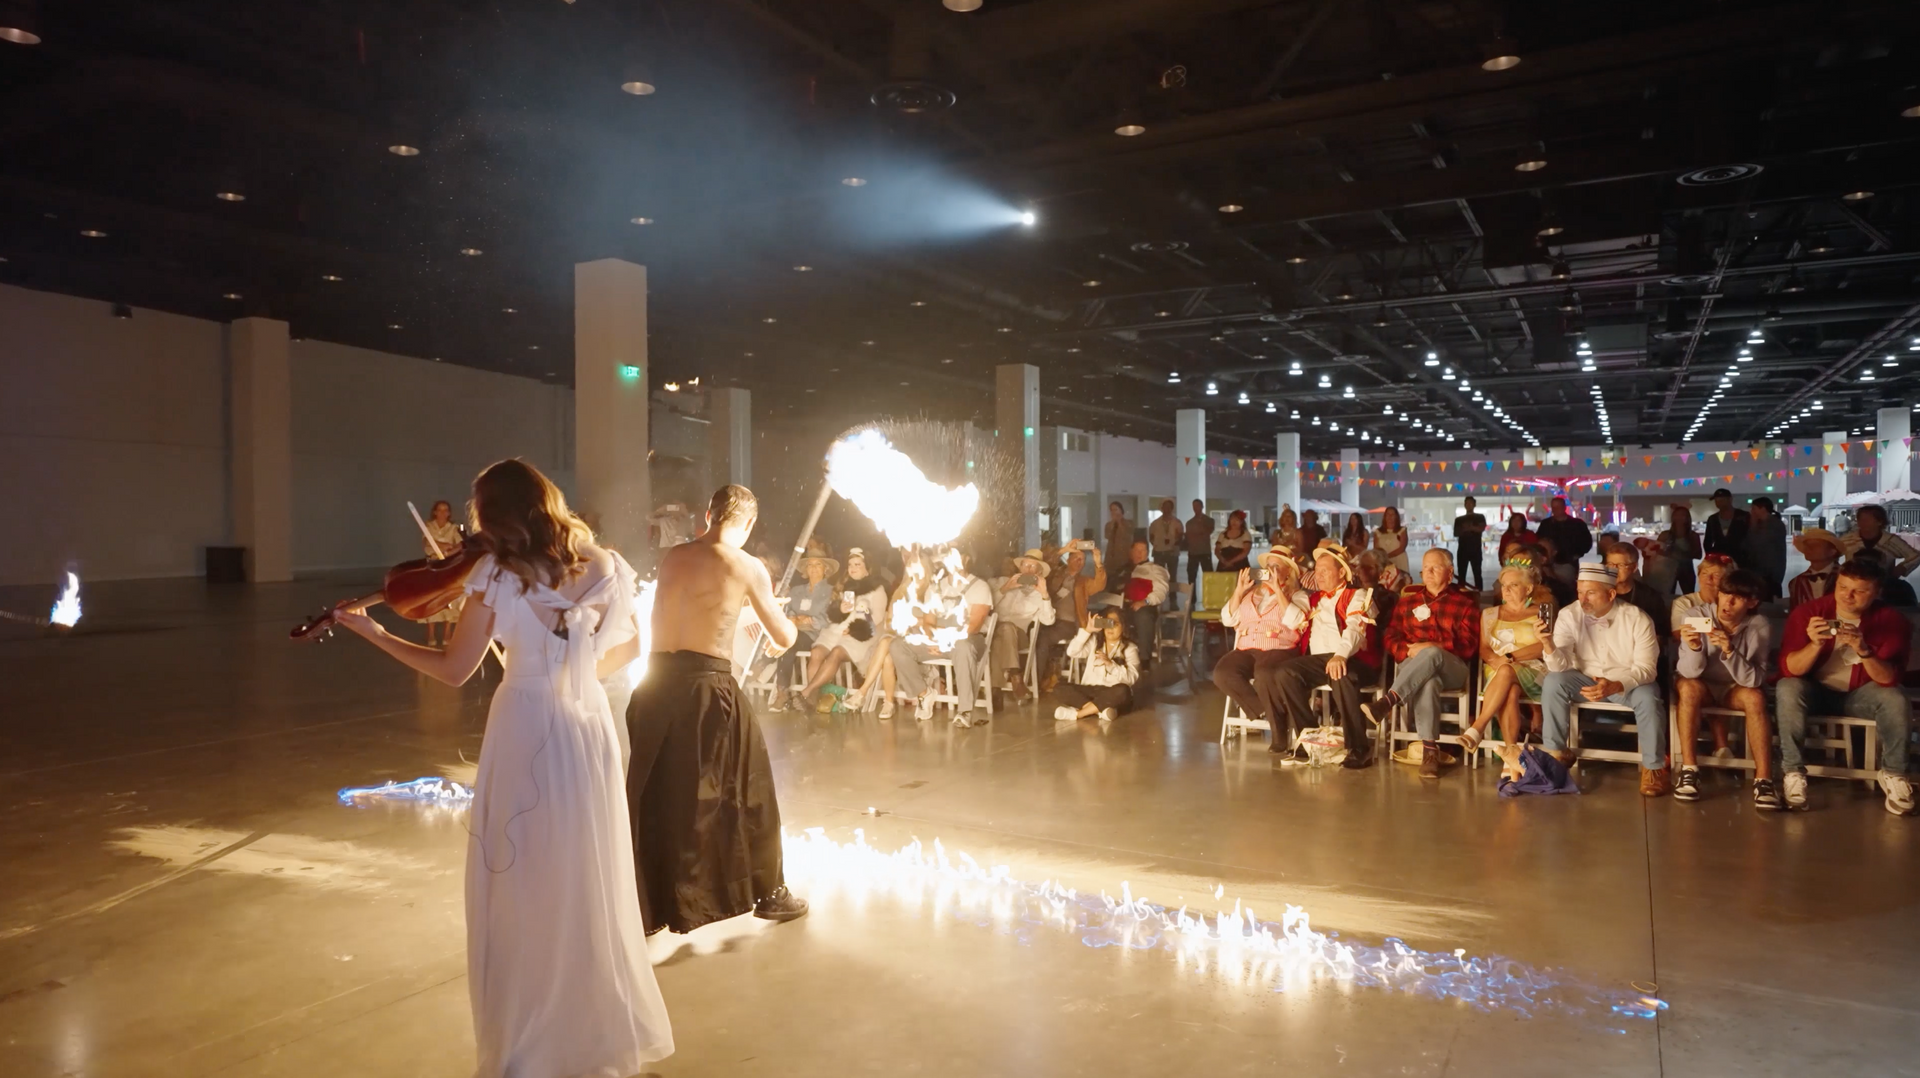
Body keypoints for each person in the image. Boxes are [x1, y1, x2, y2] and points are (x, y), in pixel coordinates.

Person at [331, 459, 673, 1075]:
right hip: (589, 725)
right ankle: (594, 1033)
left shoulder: (494, 573)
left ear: (492, 514)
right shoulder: (607, 564)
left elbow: (452, 669)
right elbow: (629, 648)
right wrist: (570, 671)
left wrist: (368, 630)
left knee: (520, 881)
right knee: (585, 873)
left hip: (523, 722)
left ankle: (527, 1044)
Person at [630, 484, 806, 933]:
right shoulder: (746, 565)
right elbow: (783, 638)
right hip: (706, 687)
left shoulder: (674, 557)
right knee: (751, 790)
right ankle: (770, 893)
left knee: (658, 792)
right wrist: (785, 619)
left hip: (654, 685)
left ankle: (648, 906)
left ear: (707, 515)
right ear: (747, 524)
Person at [1774, 562, 1913, 815]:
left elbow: (1888, 678)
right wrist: (1815, 644)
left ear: (1877, 592)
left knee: (1895, 697)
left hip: (1860, 693)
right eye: (1842, 587)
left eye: (1859, 591)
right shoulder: (1810, 612)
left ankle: (1894, 774)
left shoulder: (1892, 620)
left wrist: (1864, 650)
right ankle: (1793, 772)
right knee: (1788, 687)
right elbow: (1790, 669)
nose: (1847, 596)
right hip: (1815, 688)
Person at [1539, 562, 1669, 796]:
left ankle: (1653, 768)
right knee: (1553, 681)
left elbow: (1648, 669)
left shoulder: (1637, 618)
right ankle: (1556, 753)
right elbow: (1561, 666)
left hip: (1627, 683)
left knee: (1649, 697)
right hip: (1585, 680)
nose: (1582, 599)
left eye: (1590, 592)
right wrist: (1547, 644)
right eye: (1579, 591)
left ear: (1611, 594)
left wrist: (1617, 685)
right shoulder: (1570, 614)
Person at [1364, 548, 1480, 779]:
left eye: (1435, 567)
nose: (1429, 571)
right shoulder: (1408, 603)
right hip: (1414, 666)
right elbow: (1390, 637)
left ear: (1450, 572)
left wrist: (1430, 647)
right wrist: (1408, 649)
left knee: (1432, 654)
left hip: (1452, 667)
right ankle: (1429, 752)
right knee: (1428, 683)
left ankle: (1388, 701)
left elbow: (1468, 645)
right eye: (1425, 567)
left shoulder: (1465, 603)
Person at [1271, 543, 1381, 768]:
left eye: (1325, 571)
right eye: (1317, 571)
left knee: (1342, 674)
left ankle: (1358, 748)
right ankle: (1309, 739)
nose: (1318, 576)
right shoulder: (1314, 599)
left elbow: (1355, 628)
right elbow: (1294, 622)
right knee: (1285, 672)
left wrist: (1340, 655)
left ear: (1342, 572)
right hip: (1321, 660)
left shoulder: (1358, 595)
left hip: (1354, 658)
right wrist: (1277, 591)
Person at [1673, 568, 1775, 806]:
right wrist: (1695, 647)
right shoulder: (1696, 614)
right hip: (1702, 683)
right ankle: (1689, 770)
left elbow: (1754, 680)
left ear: (1752, 602)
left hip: (1734, 686)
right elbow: (1689, 672)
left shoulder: (1758, 625)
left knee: (1755, 698)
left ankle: (1764, 779)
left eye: (1737, 598)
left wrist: (1730, 651)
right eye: (1725, 594)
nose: (1727, 603)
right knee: (1687, 688)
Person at [1211, 550, 1308, 738]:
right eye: (1268, 566)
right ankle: (1265, 711)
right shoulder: (1249, 594)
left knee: (1264, 673)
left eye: (1276, 566)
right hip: (1247, 647)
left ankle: (1278, 731)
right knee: (1222, 673)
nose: (1270, 570)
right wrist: (1238, 591)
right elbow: (1227, 619)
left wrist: (1279, 591)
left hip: (1278, 648)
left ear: (1288, 572)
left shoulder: (1297, 595)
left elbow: (1295, 621)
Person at [1461, 562, 1552, 753]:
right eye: (1504, 585)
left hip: (1534, 670)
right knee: (1510, 691)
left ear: (1528, 589)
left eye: (1514, 585)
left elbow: (1543, 646)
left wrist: (1509, 657)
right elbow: (1484, 648)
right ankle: (1511, 755)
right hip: (1496, 670)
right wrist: (1495, 661)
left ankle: (1477, 727)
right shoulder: (1489, 614)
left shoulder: (1542, 612)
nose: (1507, 590)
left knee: (1506, 670)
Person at [798, 548, 890, 710]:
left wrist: (854, 629)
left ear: (867, 568)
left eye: (857, 565)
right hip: (837, 629)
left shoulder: (877, 589)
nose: (853, 568)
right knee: (816, 653)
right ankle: (812, 700)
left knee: (837, 652)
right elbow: (830, 615)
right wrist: (840, 610)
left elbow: (877, 619)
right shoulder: (845, 586)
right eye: (850, 565)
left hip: (862, 633)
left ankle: (806, 692)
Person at [768, 551, 837, 712]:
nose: (813, 568)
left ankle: (778, 687)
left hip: (817, 636)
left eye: (818, 564)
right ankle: (781, 692)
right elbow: (788, 609)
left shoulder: (831, 591)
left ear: (825, 569)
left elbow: (829, 617)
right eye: (810, 565)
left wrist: (809, 620)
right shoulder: (796, 590)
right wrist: (795, 618)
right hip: (794, 631)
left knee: (788, 642)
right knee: (786, 643)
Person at [991, 548, 1056, 704]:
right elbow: (986, 607)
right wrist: (1006, 588)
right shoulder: (1000, 583)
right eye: (1025, 565)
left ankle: (1007, 680)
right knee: (1001, 638)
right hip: (993, 635)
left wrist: (1045, 594)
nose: (1028, 569)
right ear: (1019, 567)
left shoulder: (1039, 594)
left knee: (1006, 628)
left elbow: (1048, 621)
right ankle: (1010, 684)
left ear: (1039, 572)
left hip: (1020, 637)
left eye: (1033, 567)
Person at [1054, 608, 1142, 723]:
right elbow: (1071, 652)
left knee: (1123, 691)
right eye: (1108, 622)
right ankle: (1101, 710)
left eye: (1115, 623)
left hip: (1111, 692)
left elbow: (1131, 678)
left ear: (1123, 626)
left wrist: (1111, 665)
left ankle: (1079, 713)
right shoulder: (1095, 641)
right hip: (1090, 690)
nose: (1111, 628)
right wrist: (1087, 631)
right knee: (1059, 688)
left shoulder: (1130, 648)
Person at [1038, 541, 1105, 691]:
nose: (1079, 562)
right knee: (1034, 634)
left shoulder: (1084, 581)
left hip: (1068, 624)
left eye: (1082, 559)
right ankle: (1040, 676)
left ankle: (1034, 680)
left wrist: (1098, 563)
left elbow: (1099, 584)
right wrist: (1064, 549)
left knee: (1043, 637)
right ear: (1067, 560)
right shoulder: (1055, 574)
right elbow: (1044, 562)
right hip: (1046, 619)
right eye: (1075, 558)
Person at [1840, 504, 1920, 605]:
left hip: (1886, 587)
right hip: (1853, 583)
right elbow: (1830, 554)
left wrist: (1901, 569)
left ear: (1880, 521)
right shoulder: (1847, 540)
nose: (1862, 523)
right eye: (1860, 519)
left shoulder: (1892, 541)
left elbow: (1916, 556)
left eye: (1867, 520)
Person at [417, 499, 467, 646]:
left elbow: (460, 545)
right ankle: (431, 633)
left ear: (449, 513)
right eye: (440, 510)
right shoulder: (428, 526)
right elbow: (428, 543)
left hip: (449, 566)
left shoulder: (453, 528)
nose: (442, 513)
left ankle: (447, 632)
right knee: (432, 598)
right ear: (435, 512)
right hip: (433, 565)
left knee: (449, 598)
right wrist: (444, 545)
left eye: (445, 510)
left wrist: (450, 550)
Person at [1605, 543, 1671, 642]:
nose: (1614, 569)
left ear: (1634, 567)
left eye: (1620, 565)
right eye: (1610, 564)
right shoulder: (1598, 593)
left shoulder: (1650, 597)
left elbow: (1658, 636)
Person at [1117, 538, 1171, 660]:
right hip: (1121, 607)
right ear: (1130, 552)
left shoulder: (1156, 569)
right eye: (1136, 550)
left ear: (1148, 552)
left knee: (1143, 616)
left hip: (1143, 607)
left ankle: (1144, 659)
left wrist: (1145, 601)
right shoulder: (1123, 570)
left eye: (1143, 550)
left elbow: (1161, 592)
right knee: (1101, 617)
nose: (1139, 553)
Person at [1534, 497, 1592, 589]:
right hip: (1547, 563)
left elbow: (1587, 542)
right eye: (1553, 507)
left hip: (1567, 562)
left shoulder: (1577, 524)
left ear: (1564, 507)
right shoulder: (1546, 524)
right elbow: (1538, 541)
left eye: (1558, 507)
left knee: (1565, 586)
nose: (1555, 510)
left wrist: (1576, 555)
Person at [1672, 552, 1734, 631]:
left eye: (1716, 575)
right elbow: (1679, 633)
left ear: (1727, 580)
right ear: (1698, 576)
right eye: (1704, 573)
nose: (1708, 579)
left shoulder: (1732, 603)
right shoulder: (1684, 602)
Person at [1787, 527, 1844, 609]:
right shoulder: (1796, 582)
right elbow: (1795, 615)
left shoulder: (1846, 576)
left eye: (1816, 545)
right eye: (1807, 545)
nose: (1809, 548)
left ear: (1832, 551)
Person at [1744, 497, 1788, 599]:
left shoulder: (1773, 525)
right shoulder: (1768, 523)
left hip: (1769, 573)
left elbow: (1756, 543)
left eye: (1754, 508)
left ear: (1763, 509)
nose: (1752, 512)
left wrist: (1752, 525)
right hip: (1765, 572)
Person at [1702, 488, 1749, 568]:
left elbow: (1751, 538)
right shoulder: (1713, 519)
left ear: (1730, 499)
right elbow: (1708, 541)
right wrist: (1711, 557)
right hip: (1720, 561)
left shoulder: (1743, 516)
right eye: (1717, 501)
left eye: (1722, 500)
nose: (1719, 503)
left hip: (1741, 560)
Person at [1660, 505, 1700, 595]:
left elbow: (1698, 555)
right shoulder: (1665, 535)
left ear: (1688, 518)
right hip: (1668, 570)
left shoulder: (1693, 536)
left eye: (1683, 515)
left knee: (1689, 596)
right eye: (1677, 515)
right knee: (1668, 596)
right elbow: (1656, 551)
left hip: (1687, 570)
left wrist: (1679, 553)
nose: (1679, 518)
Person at [1183, 499, 1215, 604]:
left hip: (1204, 552)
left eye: (1197, 506)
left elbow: (1207, 531)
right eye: (1194, 506)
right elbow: (1188, 536)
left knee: (1208, 575)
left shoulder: (1209, 520)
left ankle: (1210, 596)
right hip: (1193, 552)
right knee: (1191, 575)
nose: (1195, 508)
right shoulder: (1189, 523)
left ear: (1202, 506)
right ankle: (1192, 597)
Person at [1454, 496, 1488, 590]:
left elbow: (1481, 528)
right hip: (1462, 550)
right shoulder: (1459, 520)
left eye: (1470, 503)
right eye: (1467, 503)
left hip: (1475, 550)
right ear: (1464, 505)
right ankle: (1461, 594)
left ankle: (1479, 594)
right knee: (1461, 575)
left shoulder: (1480, 517)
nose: (1469, 505)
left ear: (1474, 505)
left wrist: (1467, 528)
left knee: (1477, 574)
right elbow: (1456, 533)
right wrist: (1473, 528)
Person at [1149, 498, 1183, 581]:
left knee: (1172, 576)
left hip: (1172, 553)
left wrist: (1173, 545)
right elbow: (1151, 537)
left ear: (1172, 508)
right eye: (1165, 507)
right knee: (1159, 576)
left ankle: (1172, 593)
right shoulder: (1155, 523)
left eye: (1169, 507)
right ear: (1161, 508)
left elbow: (1180, 537)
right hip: (1159, 553)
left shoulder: (1177, 523)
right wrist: (1159, 545)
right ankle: (1160, 593)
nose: (1167, 509)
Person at [1372, 506, 1410, 575]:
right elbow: (1376, 549)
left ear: (1396, 517)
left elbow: (1402, 548)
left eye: (1392, 515)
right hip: (1383, 562)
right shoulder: (1377, 532)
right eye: (1388, 514)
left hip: (1399, 560)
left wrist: (1387, 556)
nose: (1390, 517)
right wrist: (1383, 559)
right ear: (1385, 516)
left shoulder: (1402, 530)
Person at [1104, 501, 1134, 573]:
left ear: (1121, 510)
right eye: (1111, 510)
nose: (1113, 512)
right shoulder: (1109, 524)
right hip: (1111, 556)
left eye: (1115, 509)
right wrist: (1113, 522)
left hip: (1124, 555)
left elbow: (1127, 534)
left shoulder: (1129, 523)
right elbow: (1107, 536)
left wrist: (1119, 522)